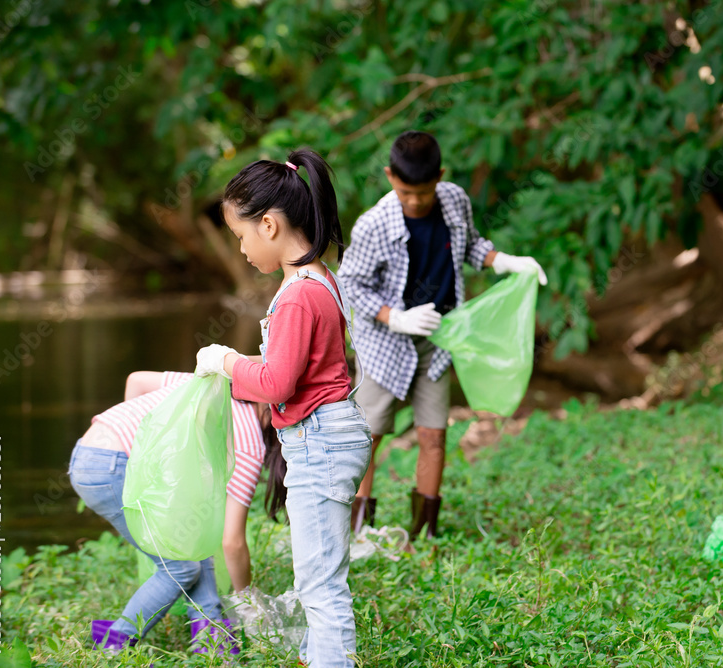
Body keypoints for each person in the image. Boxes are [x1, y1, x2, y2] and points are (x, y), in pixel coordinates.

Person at [194, 147, 372, 668]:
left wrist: (226, 362)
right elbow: (291, 371)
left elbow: (276, 382)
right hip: (328, 435)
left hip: (320, 442)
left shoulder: (297, 295)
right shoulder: (317, 280)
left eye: (242, 236)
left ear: (268, 225)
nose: (243, 250)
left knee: (320, 584)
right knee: (319, 574)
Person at [338, 130, 547, 539]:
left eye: (423, 192)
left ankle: (422, 535)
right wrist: (395, 318)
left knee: (434, 434)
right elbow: (350, 286)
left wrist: (504, 260)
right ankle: (358, 531)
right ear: (389, 177)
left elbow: (469, 245)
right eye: (405, 192)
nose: (414, 201)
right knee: (369, 436)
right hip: (384, 344)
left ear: (440, 177)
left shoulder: (453, 200)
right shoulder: (374, 225)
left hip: (438, 338)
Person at [68, 369, 280, 654]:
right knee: (180, 568)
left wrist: (143, 448)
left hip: (88, 451)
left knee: (192, 539)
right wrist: (247, 601)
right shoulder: (248, 442)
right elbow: (233, 542)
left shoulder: (212, 381)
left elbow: (136, 381)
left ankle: (210, 638)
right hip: (112, 467)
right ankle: (114, 644)